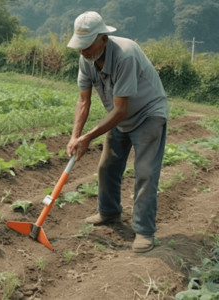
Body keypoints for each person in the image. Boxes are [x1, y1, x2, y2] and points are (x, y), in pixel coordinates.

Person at [65, 11, 169, 253]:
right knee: (107, 167)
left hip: (147, 114)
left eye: (87, 45)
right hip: (119, 115)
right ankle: (109, 212)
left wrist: (88, 137)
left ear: (103, 38)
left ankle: (144, 231)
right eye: (80, 46)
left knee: (144, 171)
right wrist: (75, 136)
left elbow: (121, 109)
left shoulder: (125, 55)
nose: (83, 51)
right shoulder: (86, 59)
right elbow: (83, 101)